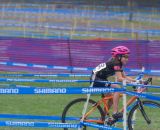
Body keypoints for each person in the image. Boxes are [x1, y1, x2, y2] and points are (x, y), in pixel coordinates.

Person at [91, 46, 136, 120]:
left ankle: (102, 118)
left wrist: (136, 81)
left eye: (128, 57)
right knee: (117, 88)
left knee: (111, 99)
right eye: (125, 57)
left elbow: (124, 77)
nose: (127, 59)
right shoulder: (116, 63)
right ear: (119, 56)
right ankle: (115, 113)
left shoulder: (118, 63)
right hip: (96, 79)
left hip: (101, 78)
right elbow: (119, 79)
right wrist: (132, 82)